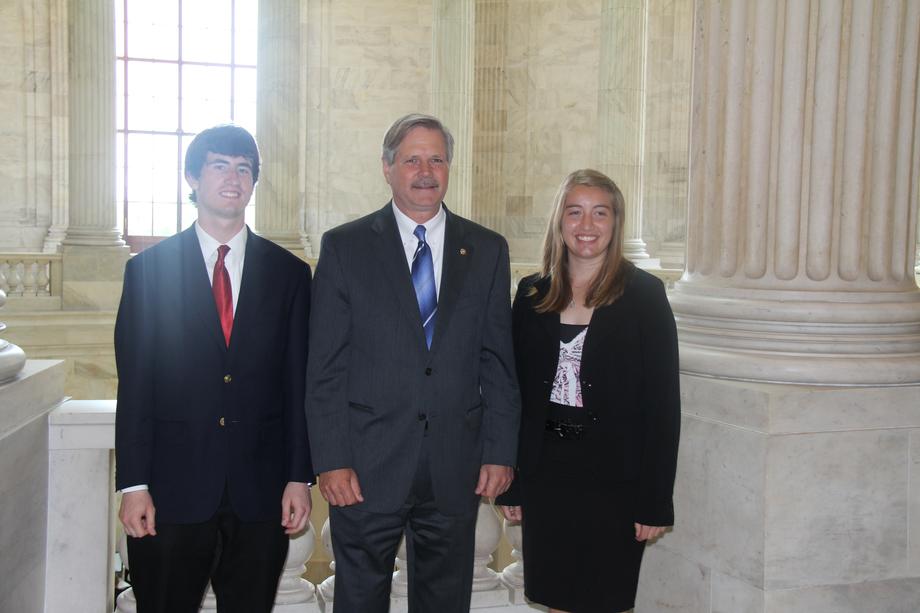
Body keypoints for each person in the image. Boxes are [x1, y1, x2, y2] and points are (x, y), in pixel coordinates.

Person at [306, 113, 521, 613]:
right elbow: (325, 367)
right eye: (412, 160)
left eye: (437, 159)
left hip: (455, 466)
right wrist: (331, 459)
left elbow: (498, 361)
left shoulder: (487, 249)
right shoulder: (345, 247)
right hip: (365, 467)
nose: (426, 171)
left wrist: (500, 451)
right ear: (387, 168)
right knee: (359, 601)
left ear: (449, 168)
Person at [114, 124, 313, 613]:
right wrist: (134, 485)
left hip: (260, 493)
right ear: (192, 177)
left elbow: (298, 384)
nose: (233, 178)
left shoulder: (290, 274)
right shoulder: (147, 272)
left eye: (244, 169)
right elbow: (135, 386)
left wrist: (298, 477)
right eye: (219, 166)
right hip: (171, 492)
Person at [497, 168, 680, 613]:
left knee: (604, 600)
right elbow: (513, 394)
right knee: (555, 599)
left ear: (615, 222)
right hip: (546, 475)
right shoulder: (532, 293)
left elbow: (662, 407)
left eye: (600, 213)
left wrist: (655, 500)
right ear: (559, 220)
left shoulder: (645, 295)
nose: (587, 225)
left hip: (615, 479)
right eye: (575, 212)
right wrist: (512, 483)